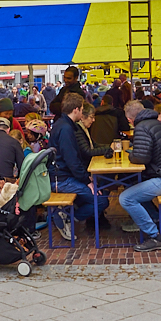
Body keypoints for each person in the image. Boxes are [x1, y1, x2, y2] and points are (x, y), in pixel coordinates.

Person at [121, 107, 161, 252]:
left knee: (126, 198)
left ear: (130, 120)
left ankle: (155, 236)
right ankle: (157, 221)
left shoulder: (141, 128)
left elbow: (141, 157)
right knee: (133, 186)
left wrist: (130, 155)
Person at [48, 93, 110, 237]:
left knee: (101, 191)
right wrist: (86, 180)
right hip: (62, 179)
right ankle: (67, 217)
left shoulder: (62, 125)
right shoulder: (66, 129)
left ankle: (67, 214)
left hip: (61, 176)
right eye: (82, 109)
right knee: (101, 200)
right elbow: (72, 160)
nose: (82, 113)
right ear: (76, 109)